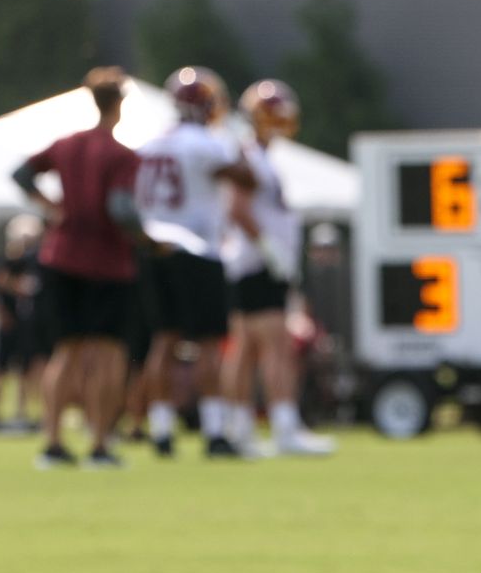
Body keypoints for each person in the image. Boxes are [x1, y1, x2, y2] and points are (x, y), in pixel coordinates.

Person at [11, 67, 153, 469]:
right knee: (108, 355)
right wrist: (150, 241)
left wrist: (53, 210)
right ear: (119, 106)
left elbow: (22, 174)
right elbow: (122, 210)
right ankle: (100, 444)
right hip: (108, 262)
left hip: (61, 258)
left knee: (65, 352)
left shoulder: (66, 144)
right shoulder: (121, 154)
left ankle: (53, 443)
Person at [136, 67, 256, 460]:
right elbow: (246, 178)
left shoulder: (150, 144)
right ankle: (214, 432)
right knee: (207, 343)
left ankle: (162, 431)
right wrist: (239, 145)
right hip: (198, 250)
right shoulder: (206, 142)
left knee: (163, 341)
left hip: (155, 248)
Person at [220, 80, 333, 457]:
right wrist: (269, 247)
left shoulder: (261, 156)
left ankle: (238, 428)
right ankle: (283, 426)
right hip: (256, 264)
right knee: (275, 347)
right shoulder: (249, 156)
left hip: (252, 264)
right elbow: (237, 207)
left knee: (247, 349)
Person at [0, 214, 48, 428]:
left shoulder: (32, 261)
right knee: (0, 368)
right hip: (7, 323)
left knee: (24, 368)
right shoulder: (3, 262)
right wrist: (3, 310)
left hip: (24, 323)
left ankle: (21, 411)